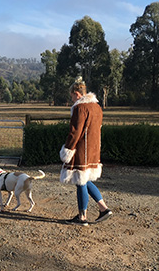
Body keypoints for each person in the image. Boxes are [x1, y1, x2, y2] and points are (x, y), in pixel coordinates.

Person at [59, 76, 112, 226]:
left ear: (77, 93)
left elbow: (75, 132)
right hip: (94, 148)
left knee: (80, 181)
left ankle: (82, 217)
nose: (72, 100)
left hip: (82, 149)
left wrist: (67, 149)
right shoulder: (97, 107)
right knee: (85, 179)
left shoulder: (80, 108)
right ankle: (103, 208)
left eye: (72, 96)